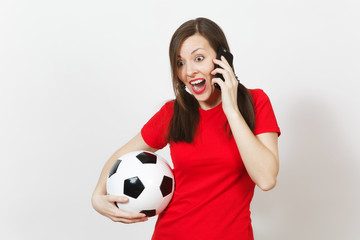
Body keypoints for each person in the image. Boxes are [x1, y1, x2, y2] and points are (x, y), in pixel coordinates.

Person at [92, 17, 281, 240]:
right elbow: (120, 156)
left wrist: (231, 109)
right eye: (180, 63)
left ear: (223, 59)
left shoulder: (255, 102)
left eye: (198, 58)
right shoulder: (173, 113)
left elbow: (266, 179)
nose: (189, 71)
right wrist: (97, 197)